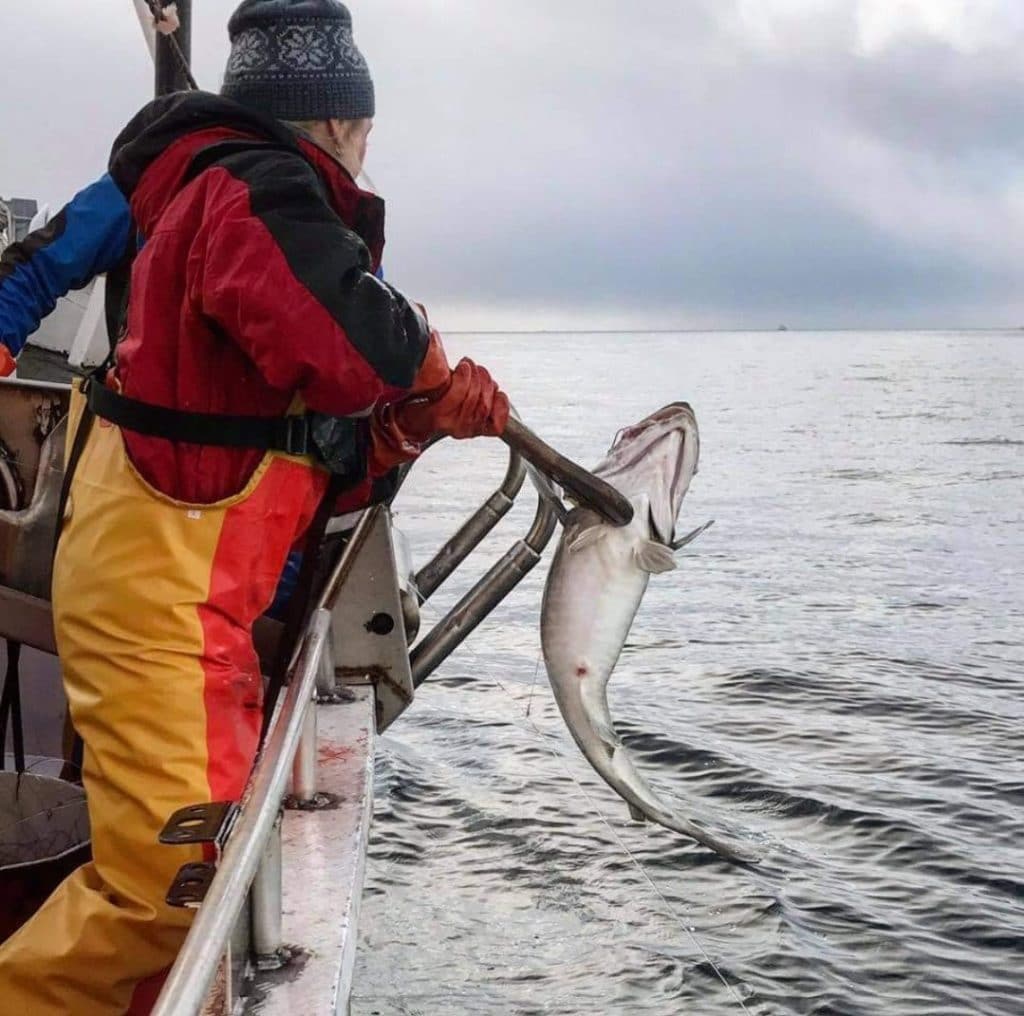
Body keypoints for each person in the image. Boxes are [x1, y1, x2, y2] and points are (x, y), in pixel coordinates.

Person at [0, 2, 508, 1013]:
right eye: (364, 127)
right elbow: (355, 349)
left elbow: (286, 411)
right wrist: (427, 368)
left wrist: (406, 425)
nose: (368, 152)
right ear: (333, 121)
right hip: (163, 602)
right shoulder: (258, 189)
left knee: (194, 858)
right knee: (172, 885)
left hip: (175, 586)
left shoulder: (203, 186)